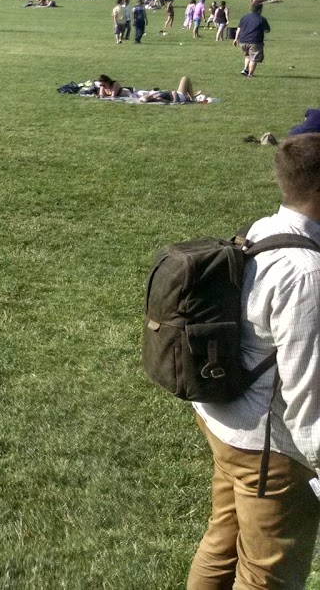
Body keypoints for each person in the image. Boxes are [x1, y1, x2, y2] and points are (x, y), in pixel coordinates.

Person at [188, 133, 320, 587]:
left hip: (223, 420)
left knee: (222, 542)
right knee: (267, 575)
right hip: (270, 450)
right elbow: (308, 396)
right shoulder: (309, 275)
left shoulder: (264, 227)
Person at [238, 0, 273, 78]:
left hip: (243, 41)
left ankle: (245, 69)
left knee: (247, 55)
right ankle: (250, 74)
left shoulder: (244, 17)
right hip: (254, 41)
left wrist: (236, 39)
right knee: (254, 58)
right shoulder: (262, 19)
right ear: (259, 10)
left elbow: (239, 28)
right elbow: (267, 30)